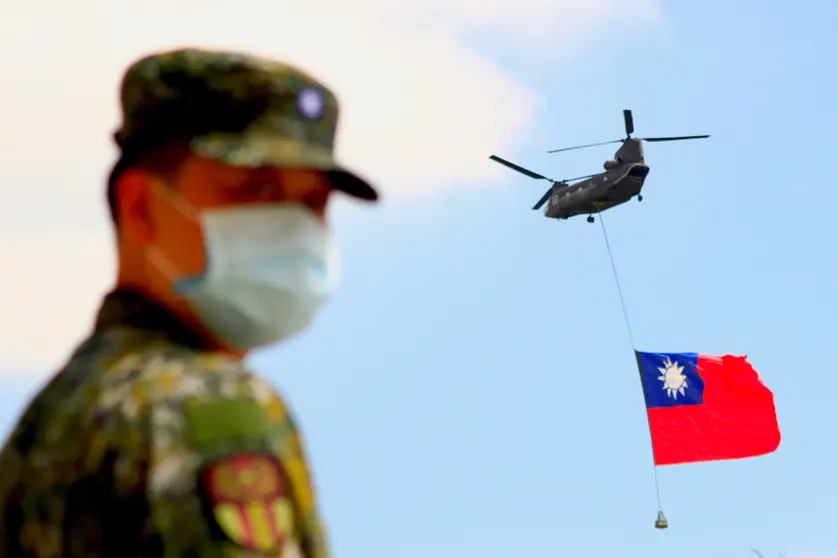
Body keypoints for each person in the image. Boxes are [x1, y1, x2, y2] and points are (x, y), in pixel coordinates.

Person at [0, 47, 377, 556]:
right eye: (253, 189)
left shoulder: (55, 417)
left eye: (312, 202)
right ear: (141, 206)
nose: (292, 226)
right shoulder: (210, 407)